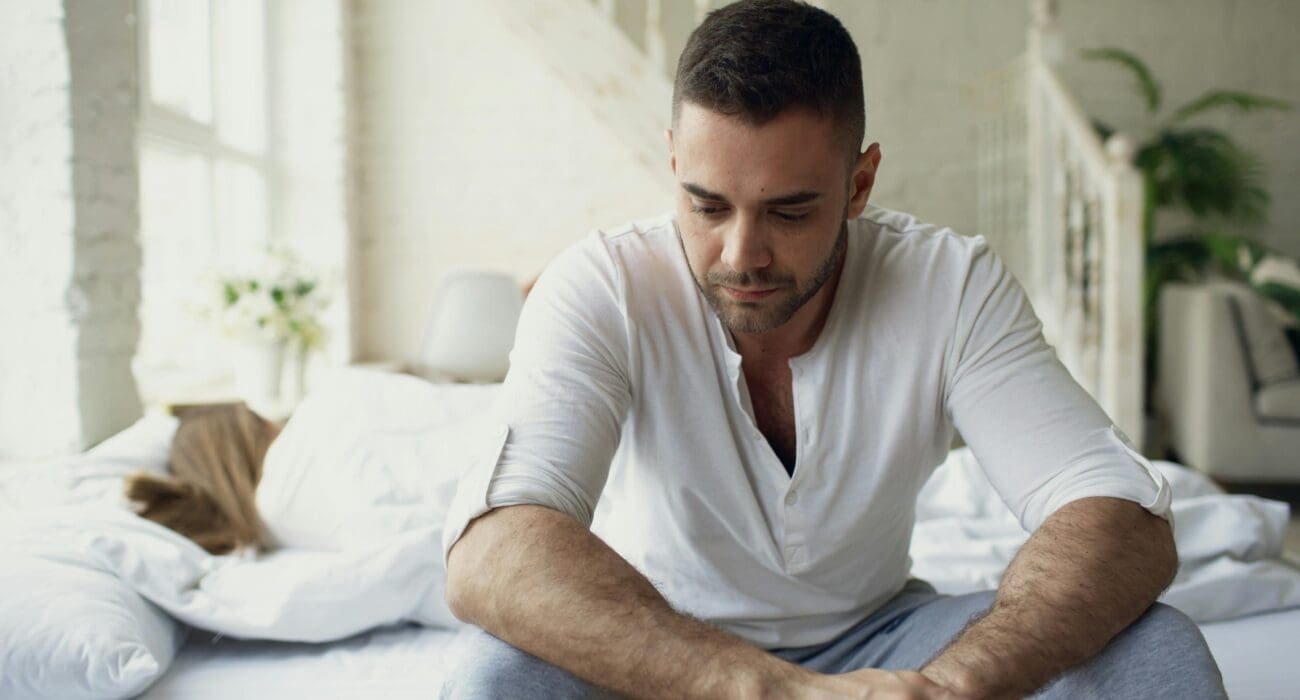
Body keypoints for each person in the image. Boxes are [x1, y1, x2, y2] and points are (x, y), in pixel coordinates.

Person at [440, 1, 1226, 697]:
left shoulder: (950, 285)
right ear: (673, 161)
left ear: (860, 183)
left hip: (890, 647)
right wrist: (762, 689)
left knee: (1157, 648)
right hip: (663, 649)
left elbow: (1120, 515)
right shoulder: (602, 286)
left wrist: (952, 686)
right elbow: (493, 551)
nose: (740, 256)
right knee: (490, 678)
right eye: (707, 206)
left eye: (789, 212)